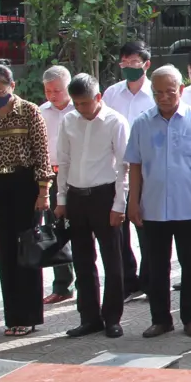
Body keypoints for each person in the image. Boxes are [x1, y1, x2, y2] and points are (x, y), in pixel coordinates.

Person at [125, 66, 191, 339]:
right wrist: (133, 202)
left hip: (189, 206)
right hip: (152, 207)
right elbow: (136, 166)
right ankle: (161, 319)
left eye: (169, 92)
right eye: (157, 93)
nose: (163, 97)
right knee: (156, 267)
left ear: (181, 90)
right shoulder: (142, 123)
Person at [0, 64, 51, 337]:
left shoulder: (30, 111)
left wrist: (43, 192)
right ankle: (12, 316)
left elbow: (42, 154)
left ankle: (29, 315)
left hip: (25, 185)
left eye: (0, 91)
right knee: (4, 251)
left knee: (25, 251)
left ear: (12, 86)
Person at [55, 73, 131, 339]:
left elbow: (124, 167)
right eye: (76, 103)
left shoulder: (115, 121)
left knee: (112, 258)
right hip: (76, 196)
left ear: (98, 98)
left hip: (105, 195)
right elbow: (63, 162)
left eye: (86, 103)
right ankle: (89, 317)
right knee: (83, 260)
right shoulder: (69, 121)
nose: (81, 109)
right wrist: (61, 200)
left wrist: (119, 205)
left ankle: (112, 317)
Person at [99, 41, 151, 298]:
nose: (129, 68)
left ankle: (150, 280)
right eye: (125, 63)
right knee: (118, 228)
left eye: (134, 63)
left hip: (148, 171)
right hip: (118, 170)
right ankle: (127, 280)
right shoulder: (111, 94)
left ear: (146, 64)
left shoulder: (156, 93)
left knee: (147, 227)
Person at [38, 65, 76, 306]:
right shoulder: (41, 112)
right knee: (56, 231)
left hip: (78, 176)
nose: (52, 95)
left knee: (83, 231)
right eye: (48, 90)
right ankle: (62, 285)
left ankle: (88, 281)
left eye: (58, 90)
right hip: (51, 177)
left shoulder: (81, 109)